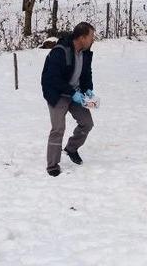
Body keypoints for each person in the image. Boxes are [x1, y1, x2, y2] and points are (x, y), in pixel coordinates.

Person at [41, 22, 97, 177]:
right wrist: (72, 93)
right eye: (91, 37)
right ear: (82, 37)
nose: (93, 40)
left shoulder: (85, 52)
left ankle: (71, 148)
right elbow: (53, 79)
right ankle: (52, 165)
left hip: (75, 93)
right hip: (57, 93)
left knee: (87, 123)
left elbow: (86, 74)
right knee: (58, 128)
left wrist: (88, 90)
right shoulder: (60, 51)